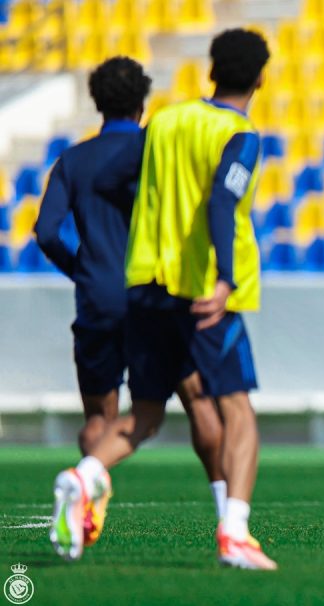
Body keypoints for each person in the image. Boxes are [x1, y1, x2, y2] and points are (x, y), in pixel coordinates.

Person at [49, 29, 275, 570]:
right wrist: (224, 277)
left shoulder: (166, 123)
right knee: (235, 409)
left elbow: (118, 179)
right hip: (201, 292)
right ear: (262, 78)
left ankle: (83, 476)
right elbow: (223, 202)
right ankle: (235, 532)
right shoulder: (238, 134)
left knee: (144, 415)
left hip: (146, 286)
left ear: (212, 70)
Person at [36, 56, 227, 551]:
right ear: (143, 103)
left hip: (97, 300)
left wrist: (82, 268)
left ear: (97, 103)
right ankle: (229, 514)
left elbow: (45, 232)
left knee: (100, 417)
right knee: (200, 406)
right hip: (154, 294)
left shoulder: (73, 160)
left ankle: (86, 502)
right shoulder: (152, 152)